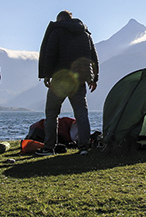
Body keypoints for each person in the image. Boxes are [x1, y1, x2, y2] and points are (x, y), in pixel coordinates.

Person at [37, 11, 99, 156]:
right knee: (81, 113)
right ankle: (83, 147)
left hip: (61, 79)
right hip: (80, 79)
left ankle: (49, 147)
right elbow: (93, 56)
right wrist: (94, 78)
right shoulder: (85, 33)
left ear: (59, 20)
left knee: (52, 113)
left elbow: (50, 54)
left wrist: (46, 75)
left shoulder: (56, 31)